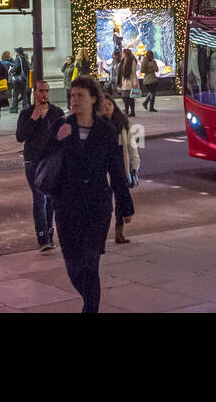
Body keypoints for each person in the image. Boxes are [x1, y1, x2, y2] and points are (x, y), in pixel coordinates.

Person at [41, 75, 134, 312]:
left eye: (80, 95)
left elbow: (116, 169)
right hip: (66, 206)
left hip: (96, 207)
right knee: (73, 264)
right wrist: (55, 139)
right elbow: (42, 156)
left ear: (93, 99)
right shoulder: (62, 126)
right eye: (72, 95)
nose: (74, 100)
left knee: (90, 263)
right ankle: (89, 301)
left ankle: (90, 308)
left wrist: (125, 205)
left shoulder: (105, 131)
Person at [16, 77, 65, 251]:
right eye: (41, 91)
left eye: (46, 91)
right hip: (33, 161)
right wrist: (34, 118)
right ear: (34, 93)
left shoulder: (56, 112)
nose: (44, 94)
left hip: (51, 161)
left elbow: (63, 135)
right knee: (39, 199)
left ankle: (50, 234)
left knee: (51, 199)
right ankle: (42, 238)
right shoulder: (27, 113)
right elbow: (20, 136)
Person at [99, 92, 139, 244]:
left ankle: (119, 230)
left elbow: (130, 145)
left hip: (119, 160)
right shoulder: (97, 124)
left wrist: (134, 165)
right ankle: (102, 233)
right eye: (103, 106)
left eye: (109, 105)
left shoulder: (121, 121)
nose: (107, 108)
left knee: (121, 193)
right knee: (105, 199)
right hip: (102, 162)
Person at [9, 46, 31, 115]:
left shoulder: (18, 58)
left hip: (18, 79)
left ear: (18, 52)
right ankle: (26, 107)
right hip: (24, 78)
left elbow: (16, 67)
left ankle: (14, 108)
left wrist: (10, 71)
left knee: (15, 94)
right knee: (24, 94)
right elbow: (28, 68)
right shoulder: (25, 58)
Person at [117, 48, 139, 117]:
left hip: (130, 80)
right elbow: (119, 68)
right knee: (124, 96)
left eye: (123, 53)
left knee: (130, 97)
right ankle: (126, 110)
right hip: (124, 81)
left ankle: (132, 111)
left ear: (126, 54)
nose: (122, 54)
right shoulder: (123, 61)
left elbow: (133, 72)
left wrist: (135, 82)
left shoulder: (132, 61)